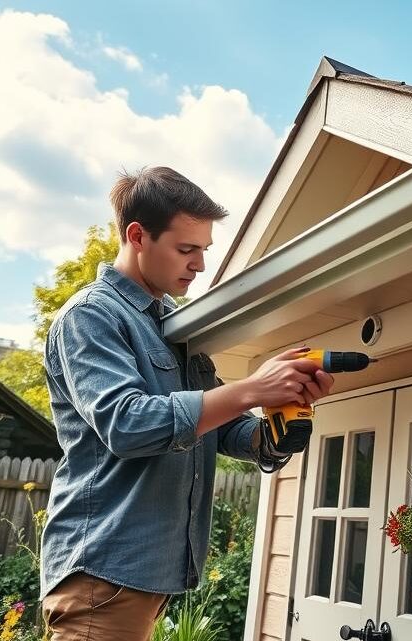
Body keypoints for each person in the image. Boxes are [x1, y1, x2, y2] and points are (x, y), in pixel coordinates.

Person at [39, 167, 334, 641]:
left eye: (204, 250)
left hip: (145, 577)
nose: (199, 264)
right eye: (186, 249)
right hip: (104, 571)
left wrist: (278, 420)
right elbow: (127, 425)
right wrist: (253, 387)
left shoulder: (177, 325)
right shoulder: (91, 317)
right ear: (138, 236)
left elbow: (219, 427)